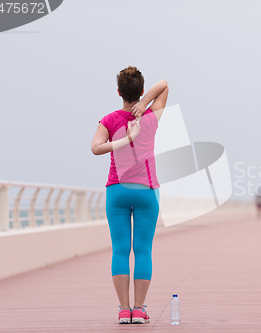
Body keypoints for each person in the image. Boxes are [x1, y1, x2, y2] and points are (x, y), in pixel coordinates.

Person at [91, 66, 169, 324]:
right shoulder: (150, 117)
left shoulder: (110, 120)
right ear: (142, 90)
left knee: (121, 250)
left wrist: (123, 140)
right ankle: (139, 309)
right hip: (146, 191)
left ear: (118, 92)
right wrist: (144, 103)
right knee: (143, 250)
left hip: (117, 191)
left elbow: (96, 148)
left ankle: (124, 310)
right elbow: (165, 85)